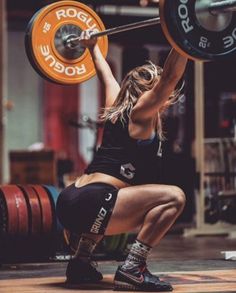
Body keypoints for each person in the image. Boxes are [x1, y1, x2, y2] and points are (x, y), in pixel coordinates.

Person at [56, 29, 188, 292]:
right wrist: (185, 41)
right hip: (94, 202)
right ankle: (133, 268)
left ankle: (81, 262)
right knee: (175, 197)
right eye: (160, 93)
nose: (166, 99)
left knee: (111, 196)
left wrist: (92, 46)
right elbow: (170, 78)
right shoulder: (140, 113)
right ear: (148, 92)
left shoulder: (117, 105)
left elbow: (104, 72)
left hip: (70, 200)